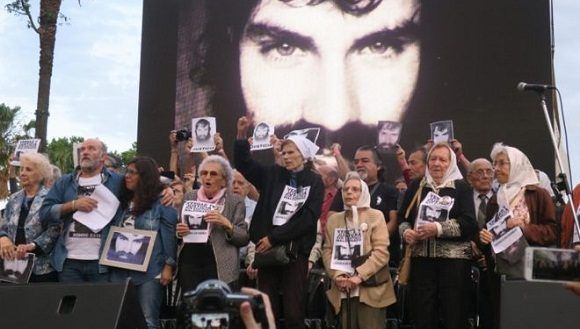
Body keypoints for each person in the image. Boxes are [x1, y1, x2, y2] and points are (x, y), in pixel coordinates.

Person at [235, 116, 324, 329]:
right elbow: (243, 164)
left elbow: (309, 219)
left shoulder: (314, 181)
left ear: (303, 154)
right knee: (267, 310)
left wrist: (274, 238)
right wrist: (240, 135)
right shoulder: (272, 174)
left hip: (295, 253)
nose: (286, 156)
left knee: (294, 312)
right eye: (283, 152)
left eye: (291, 152)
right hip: (267, 253)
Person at [478, 143, 557, 329]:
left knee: (533, 318)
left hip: (533, 271)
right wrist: (483, 238)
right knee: (509, 319)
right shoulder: (494, 199)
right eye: (494, 164)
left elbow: (552, 232)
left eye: (502, 163)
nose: (496, 169)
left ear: (517, 164)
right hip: (503, 274)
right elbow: (489, 236)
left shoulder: (538, 194)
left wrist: (524, 227)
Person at [398, 143, 477, 329]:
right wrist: (406, 232)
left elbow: (468, 223)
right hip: (422, 263)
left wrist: (438, 228)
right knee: (423, 314)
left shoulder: (461, 187)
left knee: (453, 314)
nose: (436, 163)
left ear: (450, 163)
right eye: (433, 159)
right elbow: (403, 217)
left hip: (454, 266)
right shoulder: (418, 185)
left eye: (442, 159)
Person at [40, 139, 125, 282]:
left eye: (91, 149)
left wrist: (169, 192)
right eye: (83, 149)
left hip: (103, 261)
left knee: (101, 305)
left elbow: (147, 190)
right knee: (69, 304)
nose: (85, 152)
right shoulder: (64, 182)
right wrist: (73, 205)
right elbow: (45, 213)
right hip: (68, 261)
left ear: (103, 157)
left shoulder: (117, 181)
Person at [108, 156, 177, 329]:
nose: (127, 176)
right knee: (118, 319)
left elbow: (169, 236)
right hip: (119, 269)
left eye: (132, 172)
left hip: (149, 272)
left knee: (147, 320)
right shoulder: (121, 202)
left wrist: (168, 266)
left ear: (144, 176)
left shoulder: (163, 202)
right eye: (126, 171)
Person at [322, 172, 396, 329]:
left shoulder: (376, 216)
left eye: (355, 189)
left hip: (369, 290)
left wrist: (359, 276)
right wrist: (337, 275)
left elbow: (381, 253)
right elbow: (327, 250)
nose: (349, 192)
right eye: (346, 189)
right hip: (342, 289)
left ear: (364, 193)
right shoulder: (334, 220)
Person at [176, 155, 249, 293]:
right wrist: (180, 231)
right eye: (204, 173)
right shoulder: (190, 196)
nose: (207, 177)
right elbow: (179, 230)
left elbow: (244, 238)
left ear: (224, 181)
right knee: (192, 306)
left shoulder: (235, 201)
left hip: (219, 262)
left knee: (217, 307)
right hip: (190, 259)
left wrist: (226, 223)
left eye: (213, 174)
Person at [330, 145, 400, 266]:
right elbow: (332, 217)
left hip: (378, 259)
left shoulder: (390, 191)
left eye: (365, 161)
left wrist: (367, 242)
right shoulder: (346, 190)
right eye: (356, 162)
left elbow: (393, 223)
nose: (359, 165)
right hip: (345, 257)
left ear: (378, 166)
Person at [0, 153, 60, 282]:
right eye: (21, 169)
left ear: (40, 174)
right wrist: (3, 238)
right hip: (12, 266)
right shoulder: (14, 198)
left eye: (28, 169)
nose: (22, 173)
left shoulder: (51, 197)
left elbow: (55, 229)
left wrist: (33, 245)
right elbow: (3, 225)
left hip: (41, 269)